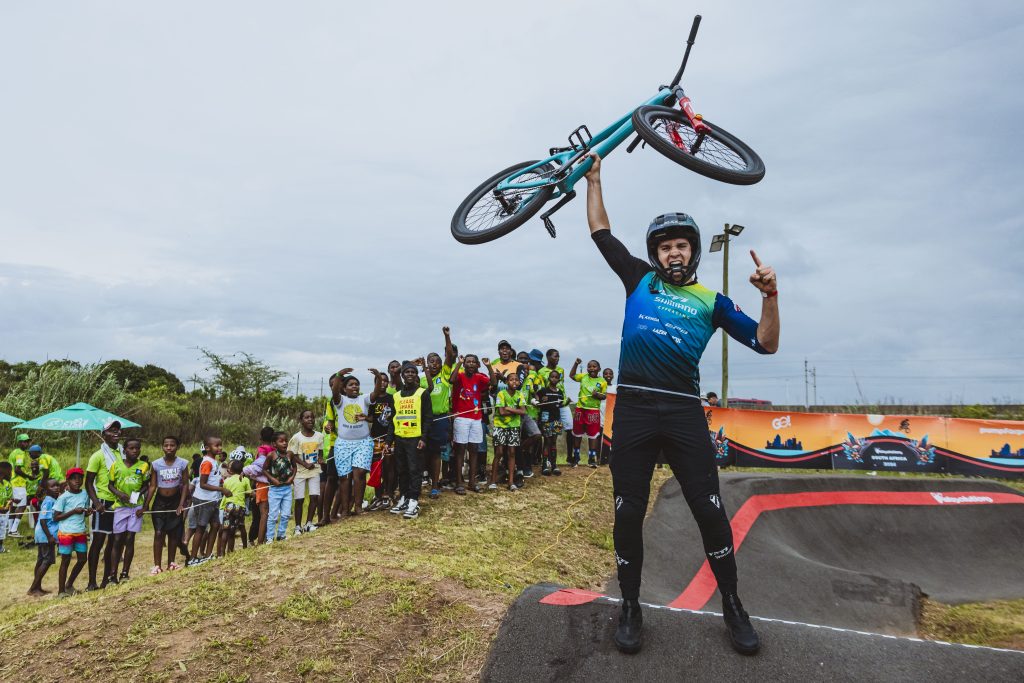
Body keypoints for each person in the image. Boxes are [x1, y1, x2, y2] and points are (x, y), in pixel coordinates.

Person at [584, 151, 779, 655]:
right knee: (627, 514)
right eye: (666, 247)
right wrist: (595, 178)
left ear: (693, 253)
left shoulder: (712, 302)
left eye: (682, 246)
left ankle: (733, 604)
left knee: (710, 513)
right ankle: (630, 605)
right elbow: (602, 231)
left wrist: (770, 296)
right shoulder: (637, 280)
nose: (674, 253)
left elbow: (766, 342)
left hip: (683, 412)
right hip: (633, 409)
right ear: (656, 253)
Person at [330, 370, 384, 518]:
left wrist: (378, 377)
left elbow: (376, 392)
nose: (355, 387)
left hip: (363, 442)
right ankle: (346, 510)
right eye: (351, 384)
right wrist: (339, 376)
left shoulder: (364, 399)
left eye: (357, 384)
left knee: (359, 473)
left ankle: (358, 507)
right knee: (344, 477)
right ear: (344, 388)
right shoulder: (340, 400)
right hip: (343, 444)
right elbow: (334, 391)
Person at [389, 362, 433, 519]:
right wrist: (389, 441)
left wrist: (423, 438)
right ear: (402, 375)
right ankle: (404, 497)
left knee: (415, 470)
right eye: (406, 372)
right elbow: (392, 420)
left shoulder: (423, 393)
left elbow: (428, 417)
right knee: (402, 470)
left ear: (416, 375)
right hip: (400, 438)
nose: (409, 374)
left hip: (415, 438)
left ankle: (414, 500)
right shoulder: (396, 395)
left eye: (412, 372)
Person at [84, 419, 123, 590]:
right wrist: (96, 502)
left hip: (119, 503)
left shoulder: (123, 452)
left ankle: (108, 577)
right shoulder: (97, 456)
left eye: (117, 429)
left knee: (114, 541)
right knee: (98, 541)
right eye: (111, 430)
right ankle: (92, 581)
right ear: (103, 434)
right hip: (103, 503)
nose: (115, 432)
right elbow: (88, 483)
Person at [107, 438, 150, 583]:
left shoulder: (143, 466)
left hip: (136, 507)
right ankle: (112, 574)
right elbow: (110, 485)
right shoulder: (116, 465)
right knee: (118, 539)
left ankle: (124, 573)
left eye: (137, 448)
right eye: (131, 448)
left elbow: (146, 484)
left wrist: (138, 495)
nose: (135, 451)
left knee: (130, 538)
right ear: (124, 450)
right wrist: (119, 494)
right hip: (120, 506)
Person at [448, 354, 491, 495]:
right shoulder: (459, 375)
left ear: (477, 365)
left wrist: (489, 366)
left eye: (473, 362)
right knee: (460, 450)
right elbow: (451, 380)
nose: (471, 364)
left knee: (474, 450)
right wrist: (459, 363)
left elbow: (494, 383)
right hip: (461, 417)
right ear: (465, 364)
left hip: (476, 418)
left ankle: (472, 482)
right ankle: (459, 482)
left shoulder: (479, 377)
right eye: (468, 362)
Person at [149, 436, 191, 574]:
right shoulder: (156, 464)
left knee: (173, 534)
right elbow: (153, 486)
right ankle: (157, 566)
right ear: (162, 447)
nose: (169, 448)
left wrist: (181, 504)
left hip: (175, 501)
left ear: (177, 447)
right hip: (160, 502)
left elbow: (185, 484)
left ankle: (171, 563)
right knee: (159, 532)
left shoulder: (183, 463)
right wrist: (145, 506)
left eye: (172, 445)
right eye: (166, 445)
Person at [424, 327, 456, 499]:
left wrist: (447, 336)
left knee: (436, 453)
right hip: (424, 420)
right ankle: (425, 479)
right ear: (427, 363)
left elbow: (450, 356)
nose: (434, 364)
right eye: (431, 361)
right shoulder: (422, 379)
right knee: (424, 453)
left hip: (441, 418)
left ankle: (435, 485)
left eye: (437, 361)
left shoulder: (444, 375)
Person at [52, 467, 90, 596]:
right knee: (65, 560)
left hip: (80, 532)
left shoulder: (85, 494)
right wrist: (73, 511)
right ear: (68, 480)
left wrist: (87, 512)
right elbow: (55, 517)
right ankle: (61, 591)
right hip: (66, 533)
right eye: (74, 478)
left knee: (82, 559)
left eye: (80, 478)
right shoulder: (63, 497)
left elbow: (83, 513)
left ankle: (69, 584)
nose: (77, 481)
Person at [188, 436, 225, 564]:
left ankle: (208, 554)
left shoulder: (214, 461)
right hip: (204, 499)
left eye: (220, 445)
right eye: (217, 446)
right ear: (208, 448)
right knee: (201, 528)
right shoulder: (207, 462)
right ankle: (192, 558)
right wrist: (222, 490)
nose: (219, 448)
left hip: (213, 499)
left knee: (215, 525)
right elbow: (203, 484)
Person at [289, 409, 324, 535]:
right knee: (299, 499)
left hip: (314, 471)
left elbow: (320, 452)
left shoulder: (319, 436)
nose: (310, 420)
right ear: (301, 420)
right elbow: (292, 455)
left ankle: (309, 523)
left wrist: (320, 459)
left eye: (312, 417)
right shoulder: (296, 438)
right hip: (300, 473)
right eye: (306, 417)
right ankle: (298, 526)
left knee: (314, 497)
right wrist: (304, 464)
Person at [570, 358, 609, 468]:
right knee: (577, 433)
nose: (591, 368)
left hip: (593, 411)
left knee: (593, 435)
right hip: (580, 409)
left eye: (594, 366)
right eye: (589, 366)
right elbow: (572, 376)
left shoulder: (602, 381)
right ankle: (576, 457)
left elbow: (604, 396)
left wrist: (597, 395)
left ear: (599, 369)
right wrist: (576, 364)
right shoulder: (583, 377)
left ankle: (592, 459)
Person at [490, 374, 527, 491]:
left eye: (516, 380)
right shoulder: (501, 394)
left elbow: (523, 411)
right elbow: (501, 412)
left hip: (514, 426)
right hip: (500, 426)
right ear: (506, 382)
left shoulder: (520, 394)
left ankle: (511, 482)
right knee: (499, 452)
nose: (514, 382)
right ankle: (493, 481)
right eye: (511, 380)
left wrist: (510, 408)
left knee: (512, 452)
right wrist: (517, 411)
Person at [366, 374, 396, 511]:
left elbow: (393, 419)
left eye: (385, 381)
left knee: (389, 466)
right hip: (375, 438)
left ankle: (389, 494)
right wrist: (364, 418)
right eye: (379, 381)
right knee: (376, 467)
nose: (382, 383)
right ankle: (378, 495)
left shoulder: (392, 398)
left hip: (389, 437)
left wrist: (390, 439)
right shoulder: (372, 400)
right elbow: (372, 418)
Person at [538, 351, 574, 463]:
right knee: (547, 436)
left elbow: (561, 386)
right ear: (548, 357)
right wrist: (542, 399)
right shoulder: (541, 371)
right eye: (555, 356)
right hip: (549, 405)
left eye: (559, 356)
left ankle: (569, 457)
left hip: (561, 401)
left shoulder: (561, 370)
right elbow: (540, 389)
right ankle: (545, 461)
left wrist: (565, 401)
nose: (557, 358)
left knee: (569, 428)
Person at [28, 478, 59, 596]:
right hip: (45, 535)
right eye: (52, 486)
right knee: (47, 560)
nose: (56, 487)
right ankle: (33, 588)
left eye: (57, 485)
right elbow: (43, 521)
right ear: (46, 489)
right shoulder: (48, 501)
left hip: (44, 535)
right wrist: (50, 536)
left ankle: (37, 587)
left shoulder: (52, 499)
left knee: (41, 560)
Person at [245, 427, 275, 544]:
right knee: (268, 512)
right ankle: (267, 537)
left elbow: (259, 466)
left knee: (264, 513)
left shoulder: (262, 449)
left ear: (261, 438)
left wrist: (246, 471)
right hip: (273, 483)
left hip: (263, 484)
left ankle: (261, 541)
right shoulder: (275, 449)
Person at [265, 431, 296, 543]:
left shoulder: (290, 454)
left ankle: (281, 535)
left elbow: (294, 468)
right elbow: (264, 469)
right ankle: (269, 537)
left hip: (287, 489)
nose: (284, 443)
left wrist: (291, 478)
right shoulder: (271, 455)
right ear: (274, 444)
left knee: (286, 514)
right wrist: (272, 479)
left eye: (286, 441)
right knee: (273, 515)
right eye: (281, 441)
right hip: (274, 490)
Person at [217, 460, 251, 556]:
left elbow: (225, 492)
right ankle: (244, 546)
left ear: (231, 470)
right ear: (242, 470)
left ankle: (222, 553)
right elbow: (249, 493)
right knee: (241, 527)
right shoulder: (245, 479)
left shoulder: (227, 480)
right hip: (239, 508)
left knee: (226, 529)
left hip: (228, 507)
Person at [535, 371, 565, 475]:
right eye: (552, 377)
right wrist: (540, 401)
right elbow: (536, 397)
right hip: (546, 419)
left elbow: (561, 404)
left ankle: (554, 465)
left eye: (556, 377)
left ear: (559, 379)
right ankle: (544, 465)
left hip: (556, 420)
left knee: (553, 441)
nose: (554, 379)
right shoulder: (544, 390)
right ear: (549, 378)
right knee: (547, 441)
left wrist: (567, 402)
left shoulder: (560, 392)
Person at [7, 433, 34, 537]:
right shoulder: (20, 454)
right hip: (18, 483)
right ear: (19, 442)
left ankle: (10, 529)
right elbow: (17, 469)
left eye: (27, 441)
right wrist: (28, 476)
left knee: (13, 507)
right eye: (24, 441)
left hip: (12, 482)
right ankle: (13, 530)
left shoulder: (13, 452)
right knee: (22, 506)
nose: (26, 444)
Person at [0, 461, 12, 553]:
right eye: (9, 471)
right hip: (1, 510)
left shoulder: (7, 484)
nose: (11, 473)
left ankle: (0, 547)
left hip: (4, 511)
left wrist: (7, 506)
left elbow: (9, 497)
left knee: (2, 529)